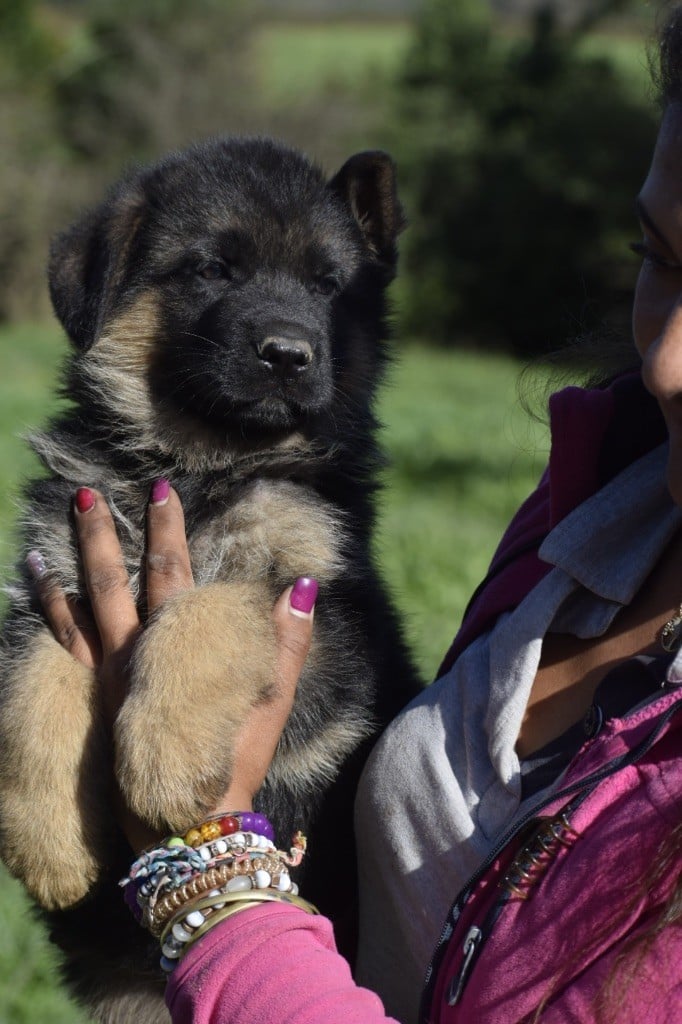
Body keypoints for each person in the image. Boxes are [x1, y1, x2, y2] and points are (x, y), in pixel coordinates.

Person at [28, 10, 682, 1023]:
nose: (288, 331)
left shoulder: (311, 508)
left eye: (322, 284)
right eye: (661, 255)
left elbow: (302, 677)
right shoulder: (596, 506)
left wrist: (206, 877)